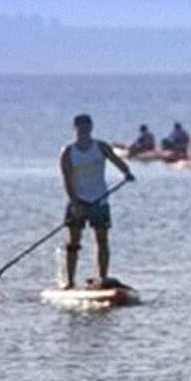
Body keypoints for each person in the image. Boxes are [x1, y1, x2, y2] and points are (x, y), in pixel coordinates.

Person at [59, 114, 135, 289]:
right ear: (75, 129)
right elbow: (67, 180)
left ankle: (102, 278)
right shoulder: (68, 152)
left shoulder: (101, 147)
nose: (83, 131)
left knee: (102, 240)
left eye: (86, 127)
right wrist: (75, 203)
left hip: (99, 201)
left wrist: (126, 173)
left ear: (91, 128)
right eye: (80, 128)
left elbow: (119, 163)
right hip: (77, 201)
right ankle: (70, 283)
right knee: (73, 242)